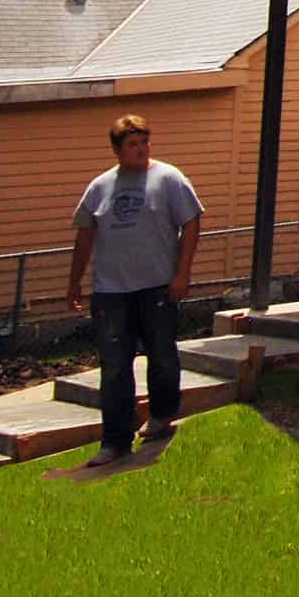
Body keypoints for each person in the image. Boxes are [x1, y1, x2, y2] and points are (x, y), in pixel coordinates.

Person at [66, 113, 204, 463]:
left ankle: (161, 416)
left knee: (161, 355)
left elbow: (191, 223)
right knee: (114, 366)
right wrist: (74, 282)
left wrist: (182, 274)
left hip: (157, 287)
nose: (141, 150)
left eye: (145, 143)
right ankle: (114, 440)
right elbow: (84, 237)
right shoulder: (100, 188)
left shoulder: (169, 179)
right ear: (117, 150)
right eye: (133, 145)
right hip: (111, 292)